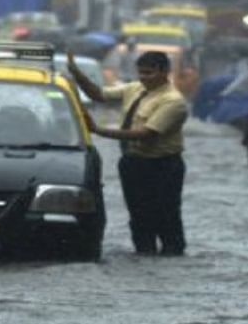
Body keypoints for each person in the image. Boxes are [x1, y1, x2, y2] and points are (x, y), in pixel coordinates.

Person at [67, 50, 189, 256]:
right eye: (141, 72)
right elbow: (98, 94)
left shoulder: (173, 101)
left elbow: (146, 134)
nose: (143, 77)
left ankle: (173, 253)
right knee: (138, 215)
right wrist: (77, 75)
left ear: (164, 72)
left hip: (163, 166)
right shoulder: (134, 88)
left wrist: (98, 131)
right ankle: (144, 253)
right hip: (133, 162)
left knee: (166, 215)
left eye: (149, 73)